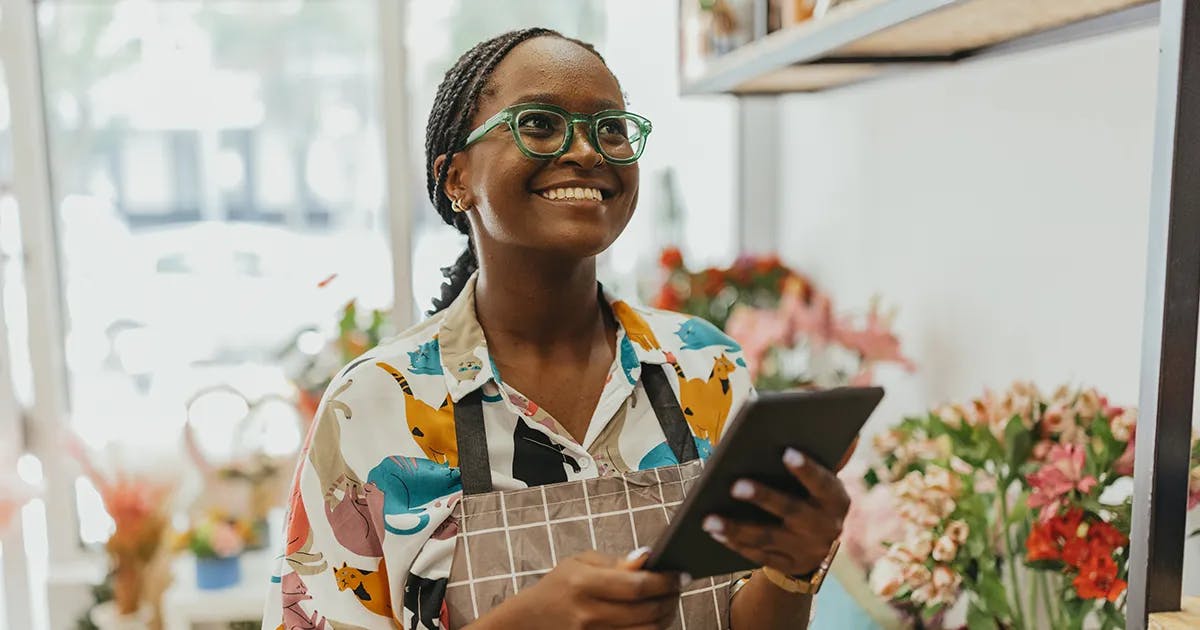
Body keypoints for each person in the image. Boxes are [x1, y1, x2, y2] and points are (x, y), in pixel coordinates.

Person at [263, 27, 849, 630]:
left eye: (611, 128)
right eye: (539, 124)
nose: (589, 152)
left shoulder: (707, 366)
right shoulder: (372, 405)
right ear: (456, 177)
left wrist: (792, 568)